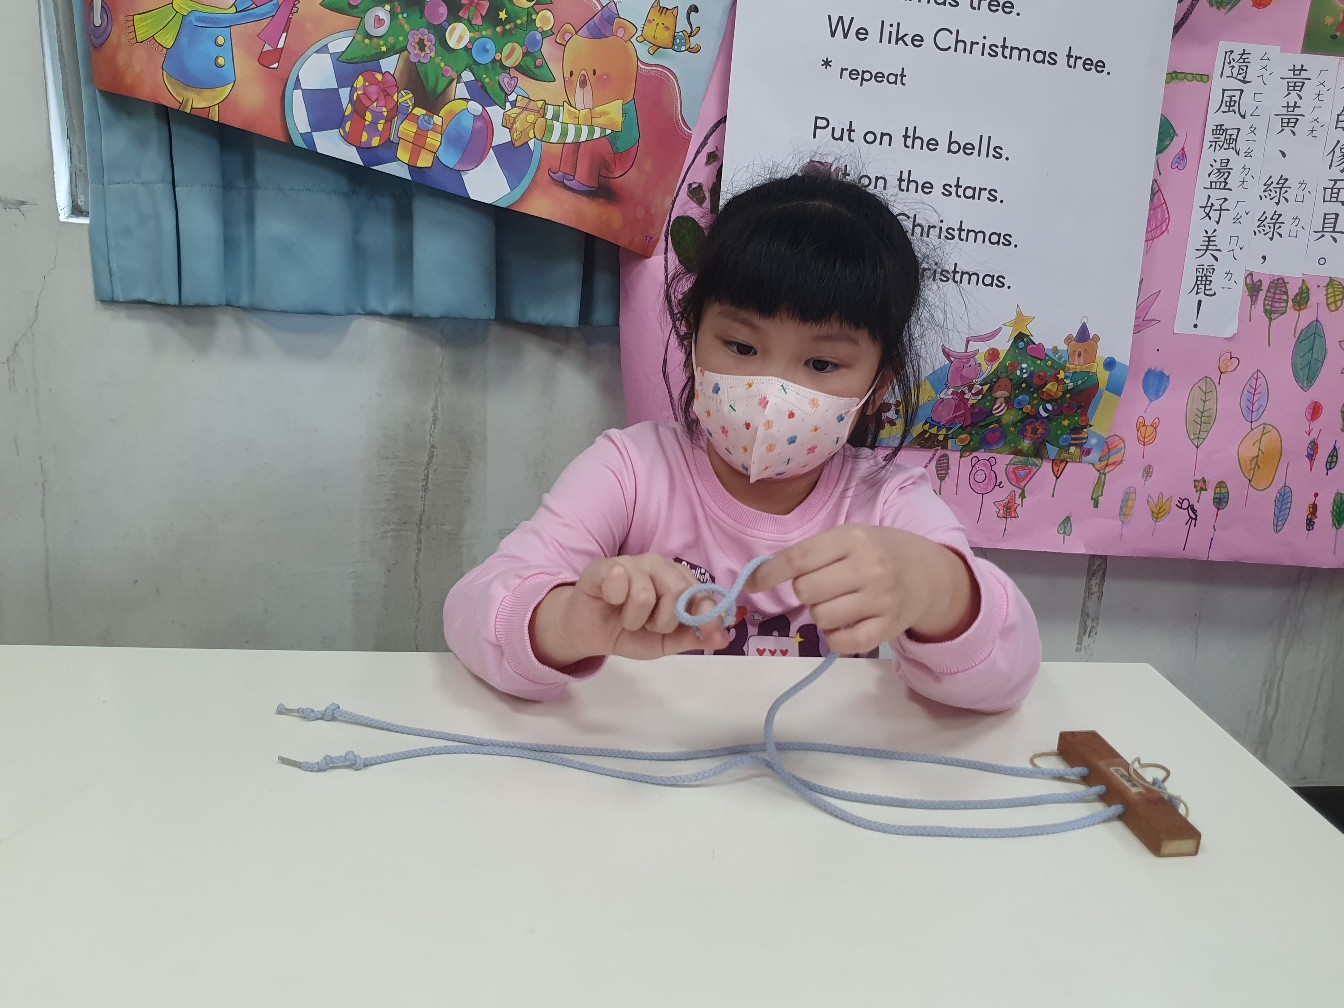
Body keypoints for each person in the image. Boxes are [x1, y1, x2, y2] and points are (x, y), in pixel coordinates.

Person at [443, 169, 1041, 712]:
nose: (773, 390)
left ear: (880, 384)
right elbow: (472, 610)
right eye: (741, 347)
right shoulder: (630, 471)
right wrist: (567, 621)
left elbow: (1009, 677)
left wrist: (939, 589)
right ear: (692, 335)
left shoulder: (889, 503)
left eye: (822, 364)